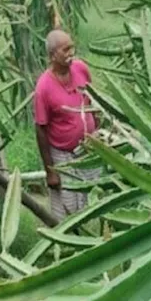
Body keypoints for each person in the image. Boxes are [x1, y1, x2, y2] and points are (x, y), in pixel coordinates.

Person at [34, 29, 101, 218]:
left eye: (72, 47)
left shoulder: (81, 69)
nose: (71, 53)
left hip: (89, 148)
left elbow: (93, 100)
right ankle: (67, 241)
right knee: (67, 208)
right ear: (52, 55)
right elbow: (40, 129)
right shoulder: (44, 88)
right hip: (63, 155)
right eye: (65, 50)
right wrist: (51, 172)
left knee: (94, 197)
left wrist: (100, 130)